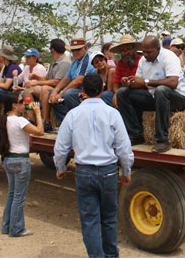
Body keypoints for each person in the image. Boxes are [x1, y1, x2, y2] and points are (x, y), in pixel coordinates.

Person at [54, 74, 134, 258]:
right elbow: (124, 147)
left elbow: (60, 148)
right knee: (109, 219)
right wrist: (127, 171)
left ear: (82, 91)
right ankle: (111, 255)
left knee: (89, 220)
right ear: (102, 88)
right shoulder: (112, 113)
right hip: (108, 171)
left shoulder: (73, 114)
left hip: (84, 171)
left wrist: (61, 168)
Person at [116, 36, 185, 152]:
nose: (145, 55)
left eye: (149, 52)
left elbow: (173, 83)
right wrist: (129, 83)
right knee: (122, 93)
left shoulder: (169, 57)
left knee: (161, 90)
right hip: (156, 98)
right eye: (144, 52)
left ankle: (162, 140)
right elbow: (139, 82)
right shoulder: (143, 60)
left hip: (178, 99)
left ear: (158, 49)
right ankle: (136, 134)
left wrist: (145, 82)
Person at [0, 92, 44, 237]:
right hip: (20, 160)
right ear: (14, 105)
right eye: (21, 101)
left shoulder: (5, 119)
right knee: (19, 196)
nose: (24, 103)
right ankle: (16, 229)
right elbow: (40, 131)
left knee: (11, 194)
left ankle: (7, 226)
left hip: (8, 159)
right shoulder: (19, 121)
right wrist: (37, 114)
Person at [25, 39, 71, 132]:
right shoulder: (54, 61)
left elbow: (57, 82)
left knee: (45, 89)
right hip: (52, 87)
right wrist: (37, 77)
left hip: (60, 90)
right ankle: (32, 119)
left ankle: (46, 122)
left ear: (52, 50)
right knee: (27, 89)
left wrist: (36, 82)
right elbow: (47, 79)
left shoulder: (65, 62)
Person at [49, 38, 96, 124]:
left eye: (78, 49)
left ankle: (79, 122)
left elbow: (79, 80)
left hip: (90, 92)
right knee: (51, 95)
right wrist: (55, 92)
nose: (75, 52)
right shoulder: (75, 62)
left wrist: (61, 93)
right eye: (73, 50)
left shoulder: (88, 59)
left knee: (68, 94)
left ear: (85, 49)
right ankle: (67, 122)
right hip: (79, 91)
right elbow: (66, 78)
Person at [103, 35, 143, 108]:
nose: (126, 52)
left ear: (134, 49)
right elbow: (115, 85)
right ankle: (116, 116)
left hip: (139, 93)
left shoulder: (142, 61)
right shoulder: (120, 63)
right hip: (124, 91)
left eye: (128, 49)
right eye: (123, 51)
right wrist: (118, 93)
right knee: (106, 95)